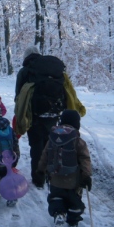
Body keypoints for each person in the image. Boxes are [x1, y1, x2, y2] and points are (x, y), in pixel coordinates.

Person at [15, 46, 86, 188]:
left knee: (36, 147)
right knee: (51, 145)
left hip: (34, 116)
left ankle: (38, 179)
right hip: (54, 113)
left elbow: (19, 95)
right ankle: (50, 174)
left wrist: (21, 113)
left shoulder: (25, 71)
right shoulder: (53, 70)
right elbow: (68, 89)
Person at [36, 110, 92, 227]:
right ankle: (73, 222)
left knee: (56, 197)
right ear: (76, 124)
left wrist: (40, 170)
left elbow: (45, 155)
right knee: (74, 200)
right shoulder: (77, 140)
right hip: (73, 180)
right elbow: (85, 159)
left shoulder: (53, 138)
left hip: (55, 178)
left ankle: (59, 213)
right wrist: (86, 176)